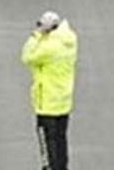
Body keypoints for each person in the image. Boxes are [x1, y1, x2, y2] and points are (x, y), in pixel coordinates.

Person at [21, 11, 78, 170]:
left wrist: (36, 35)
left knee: (47, 142)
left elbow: (27, 57)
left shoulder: (48, 47)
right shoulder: (69, 41)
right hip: (63, 101)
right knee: (61, 140)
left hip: (46, 102)